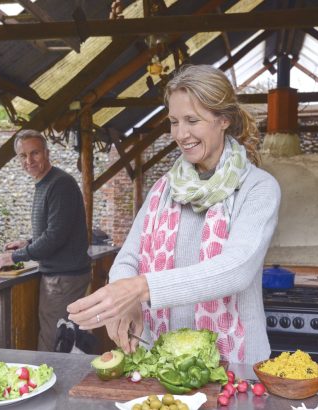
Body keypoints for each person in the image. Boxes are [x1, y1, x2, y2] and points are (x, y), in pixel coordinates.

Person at [67, 65, 281, 364]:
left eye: (192, 120)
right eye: (174, 121)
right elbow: (129, 257)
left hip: (233, 360)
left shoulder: (257, 188)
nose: (181, 134)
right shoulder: (164, 189)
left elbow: (236, 269)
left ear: (223, 120)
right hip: (161, 357)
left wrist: (140, 289)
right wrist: (125, 298)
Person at [0, 129, 91, 352]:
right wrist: (27, 243)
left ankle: (53, 386)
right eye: (23, 156)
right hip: (63, 276)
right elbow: (54, 230)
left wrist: (15, 256)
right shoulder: (46, 183)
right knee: (67, 338)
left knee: (54, 342)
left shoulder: (60, 184)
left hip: (63, 279)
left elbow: (55, 236)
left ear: (46, 153)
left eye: (34, 153)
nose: (29, 160)